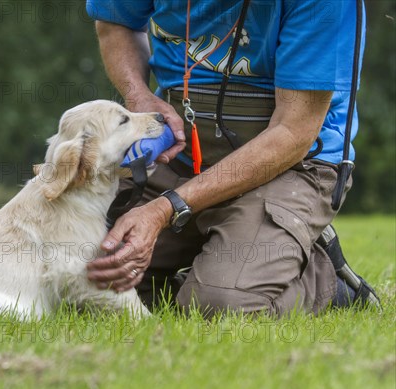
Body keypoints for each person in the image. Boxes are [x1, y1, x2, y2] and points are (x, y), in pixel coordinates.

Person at [85, 0, 380, 317]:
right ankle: (229, 260)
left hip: (289, 165)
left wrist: (163, 209)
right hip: (180, 152)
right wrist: (139, 95)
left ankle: (324, 279)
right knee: (86, 275)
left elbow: (292, 134)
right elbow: (115, 21)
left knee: (218, 305)